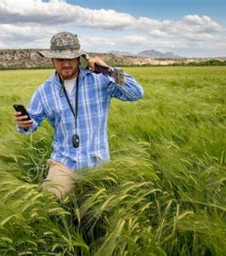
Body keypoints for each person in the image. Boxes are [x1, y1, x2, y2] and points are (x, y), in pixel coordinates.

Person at [14, 32, 144, 200]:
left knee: (100, 211)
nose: (66, 64)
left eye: (71, 58)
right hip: (64, 162)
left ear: (79, 58)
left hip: (97, 162)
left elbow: (136, 93)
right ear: (52, 60)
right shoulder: (44, 91)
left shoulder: (100, 80)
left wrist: (109, 71)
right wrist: (25, 124)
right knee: (49, 201)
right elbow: (31, 123)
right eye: (60, 59)